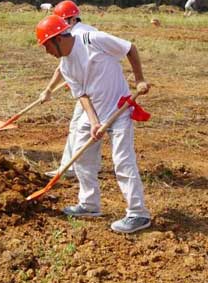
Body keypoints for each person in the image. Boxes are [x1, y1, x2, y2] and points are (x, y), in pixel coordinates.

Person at [35, 14, 151, 234]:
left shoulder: (91, 39)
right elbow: (82, 95)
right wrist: (94, 121)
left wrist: (139, 79)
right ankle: (89, 204)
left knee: (122, 161)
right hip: (96, 113)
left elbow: (129, 48)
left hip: (120, 108)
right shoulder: (66, 66)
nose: (47, 51)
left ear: (58, 38)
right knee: (81, 156)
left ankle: (138, 213)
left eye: (46, 45)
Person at [39, 0, 98, 178]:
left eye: (64, 22)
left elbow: (62, 67)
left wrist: (49, 90)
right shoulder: (87, 30)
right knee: (82, 126)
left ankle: (74, 168)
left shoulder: (77, 34)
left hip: (93, 89)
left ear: (72, 20)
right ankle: (72, 167)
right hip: (91, 85)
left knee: (84, 128)